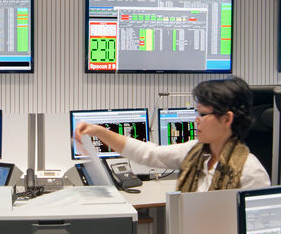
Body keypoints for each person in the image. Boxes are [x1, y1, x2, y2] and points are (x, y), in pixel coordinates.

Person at [74, 77, 270, 191]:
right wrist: (99, 131)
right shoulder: (196, 153)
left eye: (203, 114)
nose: (196, 120)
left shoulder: (251, 172)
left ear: (227, 119)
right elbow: (148, 154)